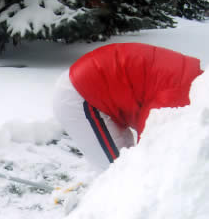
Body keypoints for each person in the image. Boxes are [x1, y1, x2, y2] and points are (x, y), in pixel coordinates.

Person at [53, 43, 203, 172]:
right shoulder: (184, 94)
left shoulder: (191, 79)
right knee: (117, 172)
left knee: (129, 162)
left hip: (90, 85)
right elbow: (152, 137)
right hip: (80, 96)